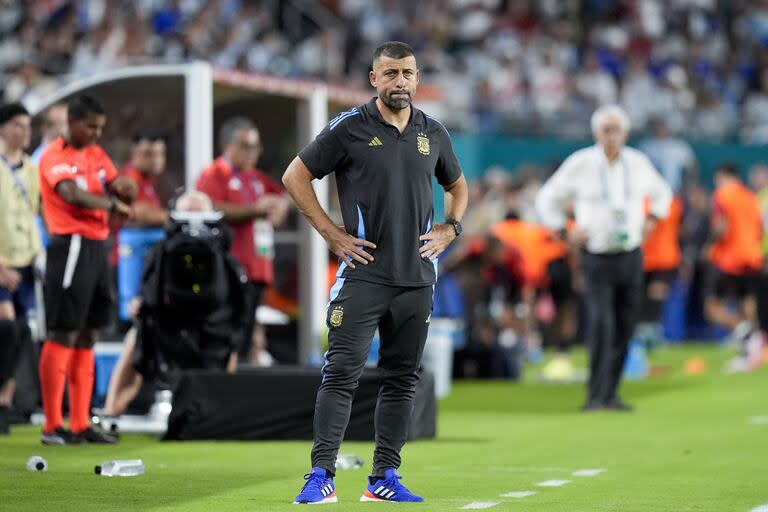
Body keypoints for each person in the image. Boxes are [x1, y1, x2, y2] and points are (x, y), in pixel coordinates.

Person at [282, 41, 468, 504]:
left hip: (417, 279)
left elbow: (458, 186)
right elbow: (294, 176)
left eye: (407, 73)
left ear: (418, 78)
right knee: (340, 374)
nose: (399, 81)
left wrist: (451, 228)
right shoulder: (349, 127)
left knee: (402, 378)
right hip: (363, 276)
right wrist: (331, 234)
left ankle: (383, 477)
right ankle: (320, 475)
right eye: (390, 74)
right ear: (374, 79)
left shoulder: (433, 132)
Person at [536, 104, 672, 412]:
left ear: (625, 133)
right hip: (595, 256)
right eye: (605, 130)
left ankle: (611, 393)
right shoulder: (582, 163)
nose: (611, 136)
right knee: (601, 323)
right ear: (597, 133)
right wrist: (563, 232)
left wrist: (652, 219)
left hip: (631, 255)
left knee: (626, 325)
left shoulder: (638, 163)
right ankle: (595, 395)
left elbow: (664, 193)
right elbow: (547, 198)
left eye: (616, 130)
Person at [37, 94, 136, 445]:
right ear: (73, 123)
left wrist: (126, 186)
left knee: (88, 333)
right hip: (70, 246)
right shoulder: (54, 156)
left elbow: (115, 180)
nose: (96, 134)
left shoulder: (95, 155)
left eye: (100, 128)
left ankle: (79, 422)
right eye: (91, 127)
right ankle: (52, 425)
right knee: (63, 330)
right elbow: (71, 195)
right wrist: (113, 201)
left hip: (97, 245)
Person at [103, 191, 245, 417]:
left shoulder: (222, 253)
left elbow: (236, 298)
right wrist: (140, 306)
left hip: (213, 326)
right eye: (188, 211)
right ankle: (110, 412)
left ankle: (223, 413)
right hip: (168, 324)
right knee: (135, 338)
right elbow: (148, 290)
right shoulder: (161, 251)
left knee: (231, 344)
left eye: (198, 211)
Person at [196, 118, 289, 366]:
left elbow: (286, 193)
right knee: (226, 334)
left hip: (257, 269)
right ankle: (224, 386)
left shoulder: (255, 177)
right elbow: (210, 207)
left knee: (246, 335)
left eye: (256, 147)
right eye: (246, 146)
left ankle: (237, 384)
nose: (252, 153)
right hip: (230, 269)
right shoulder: (215, 173)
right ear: (227, 145)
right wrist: (256, 210)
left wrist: (279, 206)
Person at [0, 103, 40, 434]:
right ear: (2, 128)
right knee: (7, 329)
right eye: (17, 125)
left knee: (18, 333)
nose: (25, 132)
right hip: (1, 262)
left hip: (25, 262)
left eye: (28, 126)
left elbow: (33, 214)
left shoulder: (30, 169)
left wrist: (36, 256)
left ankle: (5, 402)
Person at [704, 163, 764, 370]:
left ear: (723, 176)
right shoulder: (751, 197)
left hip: (728, 259)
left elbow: (721, 226)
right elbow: (760, 230)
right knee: (746, 302)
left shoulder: (723, 194)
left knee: (712, 308)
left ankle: (749, 337)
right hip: (752, 256)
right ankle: (750, 351)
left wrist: (709, 245)